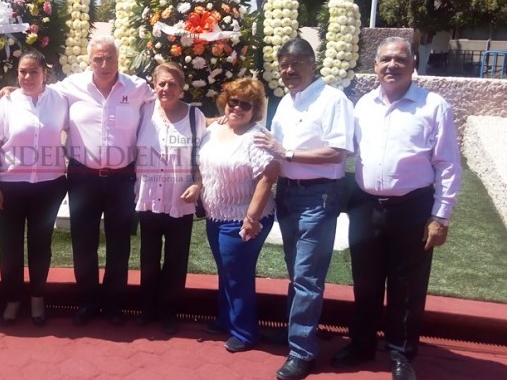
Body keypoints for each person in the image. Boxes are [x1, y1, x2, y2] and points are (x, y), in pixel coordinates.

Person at [330, 37, 461, 380]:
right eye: (385, 59)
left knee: (407, 284)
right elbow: (342, 149)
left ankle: (401, 353)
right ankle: (361, 344)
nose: (392, 65)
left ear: (413, 64)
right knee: (366, 281)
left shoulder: (434, 106)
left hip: (413, 207)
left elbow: (448, 164)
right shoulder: (362, 106)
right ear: (375, 66)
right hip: (365, 205)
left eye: (400, 59)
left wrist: (441, 215)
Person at [254, 37, 354, 380]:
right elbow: (272, 147)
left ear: (313, 63)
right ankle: (296, 331)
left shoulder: (333, 100)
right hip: (289, 194)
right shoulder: (286, 102)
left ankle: (302, 351)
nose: (289, 70)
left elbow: (338, 152)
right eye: (283, 64)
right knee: (297, 271)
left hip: (319, 196)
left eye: (296, 63)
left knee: (307, 275)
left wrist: (287, 153)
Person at [57, 35, 153, 325]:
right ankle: (87, 303)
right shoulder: (71, 86)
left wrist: (207, 119)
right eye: (98, 58)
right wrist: (9, 90)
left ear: (118, 59)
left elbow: (166, 103)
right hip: (82, 177)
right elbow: (38, 92)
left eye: (110, 57)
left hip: (122, 178)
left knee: (119, 242)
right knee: (83, 241)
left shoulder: (138, 88)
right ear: (90, 60)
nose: (104, 64)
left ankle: (113, 304)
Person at [0, 50, 68, 326]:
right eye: (22, 71)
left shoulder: (60, 99)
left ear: (45, 73)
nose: (28, 77)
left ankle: (37, 298)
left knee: (40, 245)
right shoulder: (6, 102)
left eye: (34, 71)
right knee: (10, 247)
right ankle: (12, 300)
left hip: (49, 187)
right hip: (10, 187)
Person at [201, 78, 279, 352]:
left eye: (245, 105)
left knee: (237, 275)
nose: (237, 108)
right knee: (226, 270)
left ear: (255, 109)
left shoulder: (255, 136)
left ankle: (245, 332)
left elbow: (269, 175)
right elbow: (195, 121)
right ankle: (226, 319)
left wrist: (252, 218)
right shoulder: (214, 128)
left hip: (243, 217)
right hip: (216, 215)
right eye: (233, 101)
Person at [134, 62, 205, 335]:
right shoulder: (143, 112)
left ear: (182, 87)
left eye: (172, 84)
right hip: (149, 197)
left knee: (176, 259)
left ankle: (169, 311)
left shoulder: (195, 116)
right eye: (161, 83)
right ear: (154, 85)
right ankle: (147, 308)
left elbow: (203, 155)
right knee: (149, 257)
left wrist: (198, 184)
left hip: (179, 199)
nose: (166, 88)